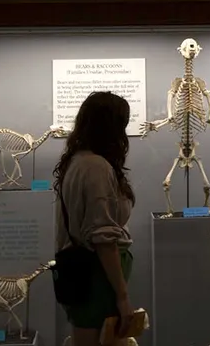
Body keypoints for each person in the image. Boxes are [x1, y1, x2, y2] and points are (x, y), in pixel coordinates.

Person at [53, 91, 137, 345]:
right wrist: (122, 296)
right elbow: (102, 237)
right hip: (97, 279)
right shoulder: (95, 167)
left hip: (90, 277)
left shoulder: (78, 162)